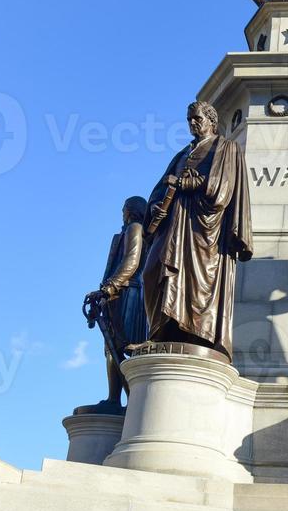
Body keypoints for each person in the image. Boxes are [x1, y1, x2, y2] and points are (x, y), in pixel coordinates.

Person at [142, 100, 253, 358]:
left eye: (198, 119)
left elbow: (221, 187)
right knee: (152, 271)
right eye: (189, 119)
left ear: (212, 121)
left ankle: (193, 335)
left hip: (203, 229)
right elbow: (160, 188)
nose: (193, 124)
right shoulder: (182, 154)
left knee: (195, 281)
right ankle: (160, 333)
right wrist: (158, 206)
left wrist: (182, 183)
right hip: (174, 223)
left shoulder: (227, 148)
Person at [82, 196, 148, 410]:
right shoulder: (126, 232)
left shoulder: (136, 228)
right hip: (117, 293)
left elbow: (131, 261)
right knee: (111, 348)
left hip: (129, 293)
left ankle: (131, 400)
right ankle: (114, 399)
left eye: (124, 209)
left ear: (131, 211)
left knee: (121, 344)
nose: (122, 213)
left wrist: (108, 288)